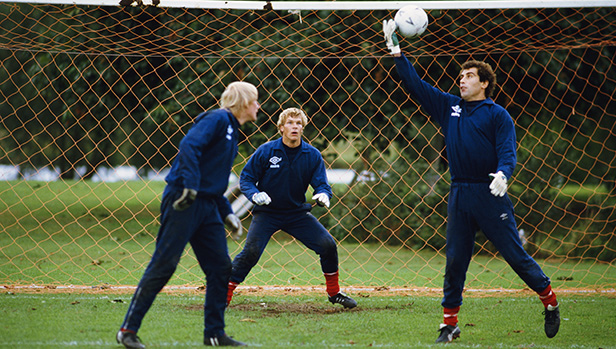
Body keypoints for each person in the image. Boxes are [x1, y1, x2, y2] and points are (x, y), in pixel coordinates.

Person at [382, 19, 560, 343]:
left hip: (489, 193)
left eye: (468, 76)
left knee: (515, 256)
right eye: (460, 76)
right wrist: (396, 51)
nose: (462, 80)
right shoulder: (449, 106)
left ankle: (549, 300)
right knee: (455, 261)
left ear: (484, 83)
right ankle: (449, 325)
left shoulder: (497, 115)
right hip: (459, 192)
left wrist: (504, 174)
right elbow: (415, 84)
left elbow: (508, 152)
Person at [116, 81, 261, 348]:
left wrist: (227, 213)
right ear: (243, 102)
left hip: (207, 206)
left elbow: (213, 178)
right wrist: (191, 186)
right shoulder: (217, 118)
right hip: (184, 199)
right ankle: (127, 330)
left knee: (220, 267)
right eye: (255, 101)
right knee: (164, 265)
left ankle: (214, 334)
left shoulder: (233, 130)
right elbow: (189, 145)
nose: (258, 106)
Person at [226, 107, 357, 309]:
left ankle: (334, 293)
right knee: (251, 251)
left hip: (297, 214)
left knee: (328, 245)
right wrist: (254, 195)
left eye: (298, 123)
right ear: (281, 128)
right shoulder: (266, 151)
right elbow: (246, 179)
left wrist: (324, 194)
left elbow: (322, 184)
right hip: (267, 213)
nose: (294, 126)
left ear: (303, 128)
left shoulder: (312, 155)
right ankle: (223, 295)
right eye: (290, 123)